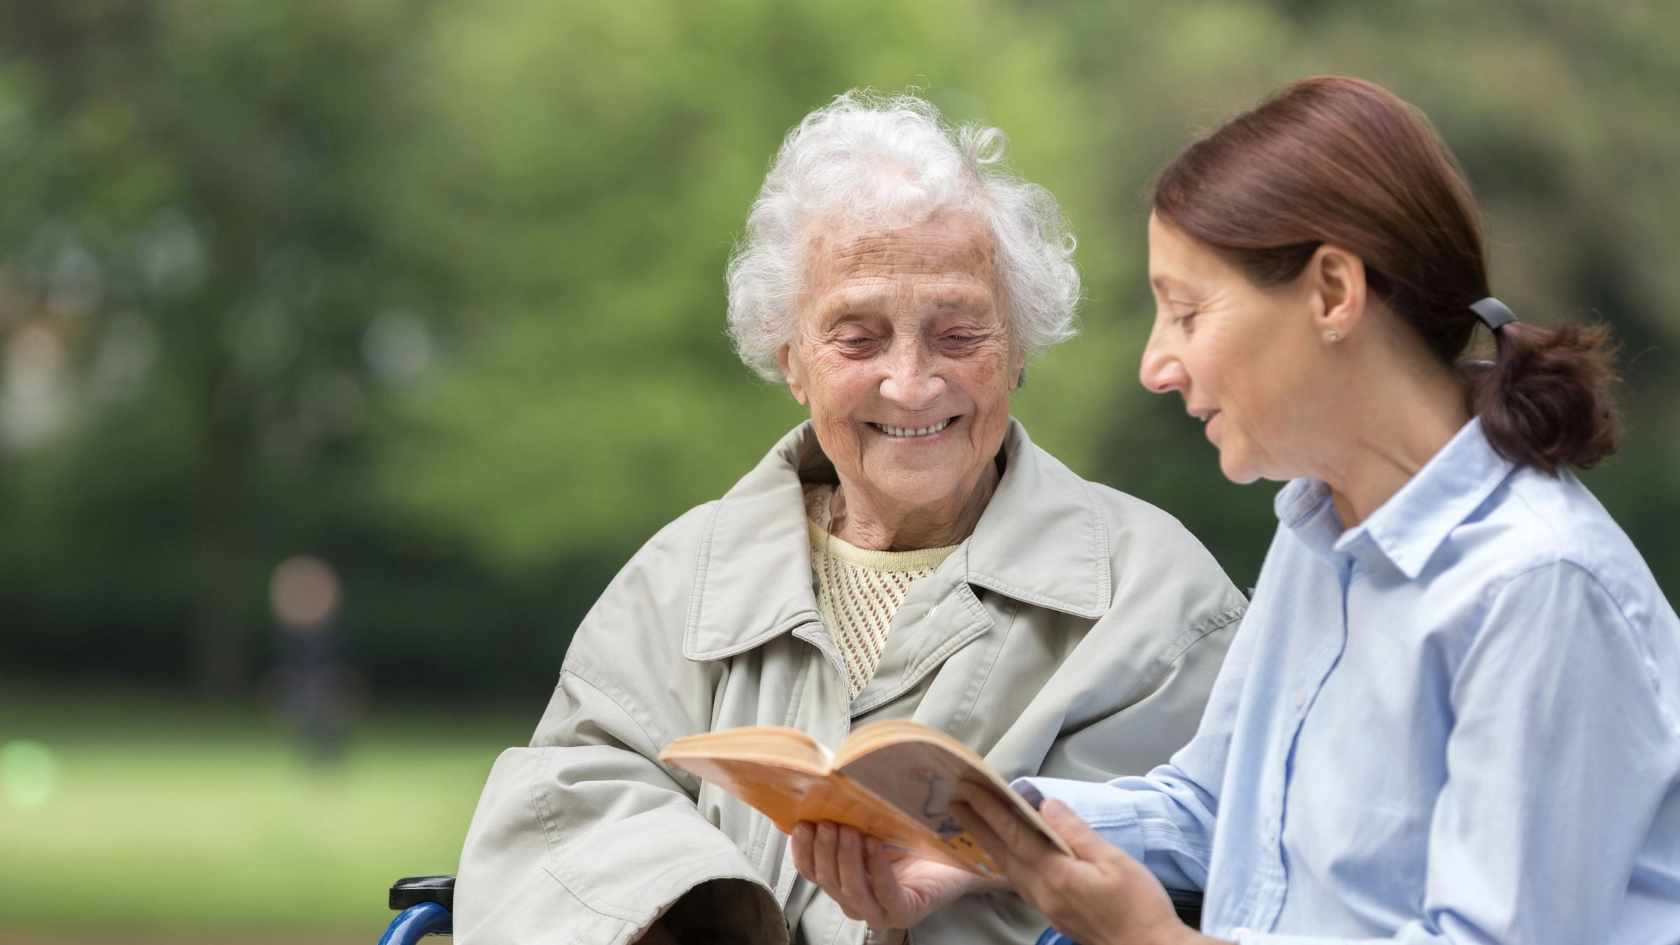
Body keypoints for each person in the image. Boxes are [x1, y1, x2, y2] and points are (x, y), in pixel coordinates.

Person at [450, 91, 1248, 945]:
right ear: (790, 359)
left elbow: (1158, 882)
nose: (911, 382)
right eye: (858, 339)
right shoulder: (681, 576)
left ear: (1020, 347)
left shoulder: (1158, 599)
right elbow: (567, 803)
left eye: (957, 332)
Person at [929, 76, 1680, 944]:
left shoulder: (1538, 587)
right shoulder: (1318, 525)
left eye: (1184, 311)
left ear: (1331, 292)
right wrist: (970, 831)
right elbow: (1213, 812)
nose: (1156, 364)